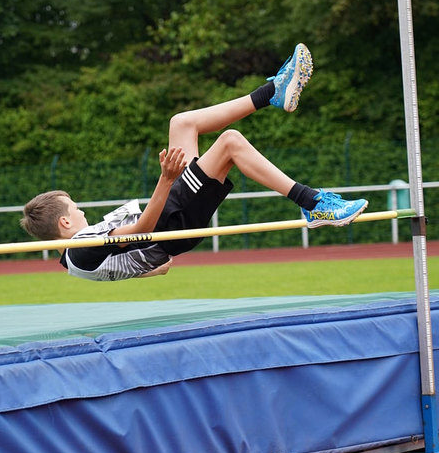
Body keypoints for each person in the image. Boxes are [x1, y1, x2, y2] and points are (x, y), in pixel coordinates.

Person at [20, 44, 368, 281]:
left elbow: (161, 267)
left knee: (181, 123)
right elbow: (141, 232)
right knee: (230, 142)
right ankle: (313, 204)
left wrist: (144, 265)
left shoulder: (74, 259)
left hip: (167, 229)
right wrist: (167, 179)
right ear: (66, 221)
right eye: (76, 209)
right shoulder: (82, 248)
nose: (82, 212)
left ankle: (273, 92)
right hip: (167, 224)